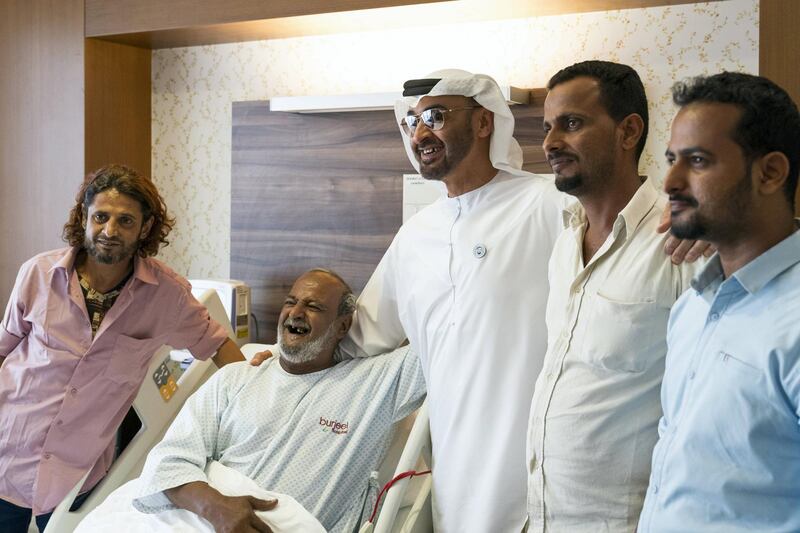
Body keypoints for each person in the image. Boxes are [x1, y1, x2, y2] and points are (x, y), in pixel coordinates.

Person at [336, 69, 565, 532]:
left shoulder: (549, 204)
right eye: (412, 122)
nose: (420, 133)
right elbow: (361, 337)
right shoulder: (417, 234)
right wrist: (278, 362)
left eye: (435, 117)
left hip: (542, 472)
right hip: (455, 472)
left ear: (484, 123)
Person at [0, 165, 252, 532]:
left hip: (76, 475)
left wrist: (255, 391)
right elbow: (5, 347)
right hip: (10, 449)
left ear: (145, 228)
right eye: (101, 217)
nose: (109, 231)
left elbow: (217, 345)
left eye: (125, 221)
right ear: (84, 217)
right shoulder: (38, 274)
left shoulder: (167, 296)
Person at [81, 269, 426, 533]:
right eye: (291, 301)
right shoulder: (237, 378)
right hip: (205, 515)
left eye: (314, 306)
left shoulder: (373, 384)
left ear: (342, 326)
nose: (296, 312)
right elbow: (169, 459)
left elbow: (447, 342)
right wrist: (216, 507)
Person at [526, 61, 699, 532]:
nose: (550, 143)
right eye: (547, 128)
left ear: (628, 132)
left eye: (572, 124)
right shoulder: (565, 242)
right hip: (548, 516)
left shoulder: (682, 241)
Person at [638, 72, 800, 531]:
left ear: (770, 173)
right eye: (672, 159)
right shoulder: (692, 308)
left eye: (698, 161)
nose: (670, 181)